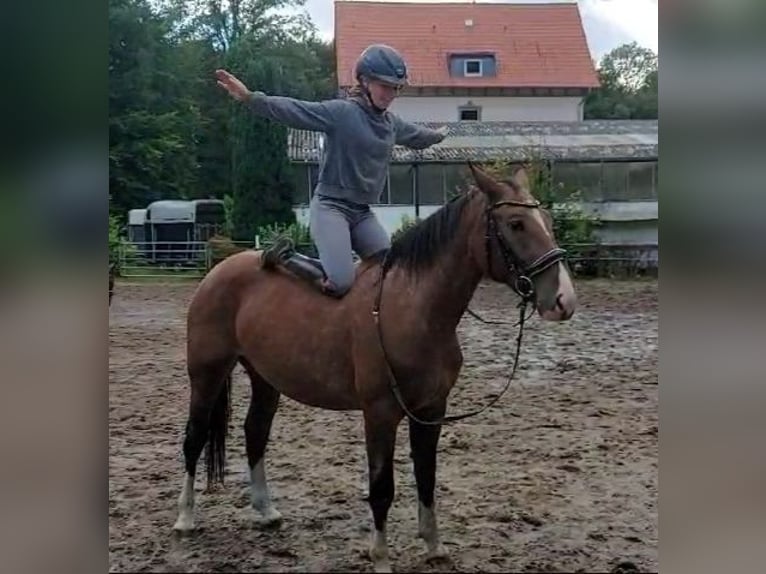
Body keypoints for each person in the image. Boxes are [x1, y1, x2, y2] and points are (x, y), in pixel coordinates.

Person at [215, 43, 448, 298]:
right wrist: (251, 98)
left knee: (389, 272)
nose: (390, 93)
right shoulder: (342, 113)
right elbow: (296, 110)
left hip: (361, 214)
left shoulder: (391, 124)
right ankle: (285, 257)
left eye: (395, 88)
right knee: (341, 281)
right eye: (384, 85)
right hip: (331, 207)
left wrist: (439, 136)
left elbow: (417, 136)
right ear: (365, 81)